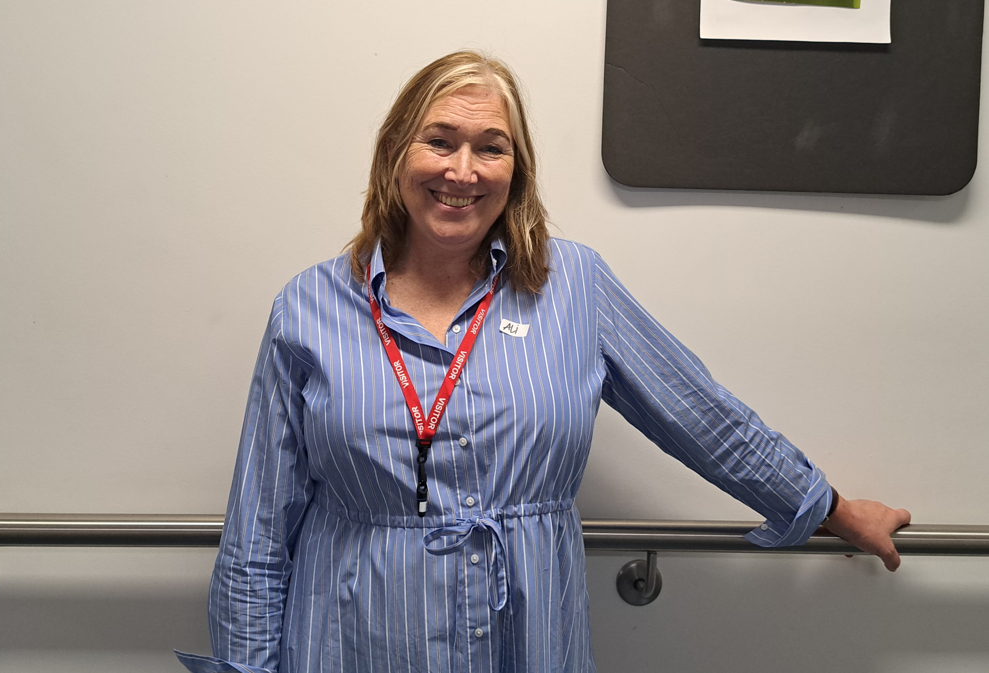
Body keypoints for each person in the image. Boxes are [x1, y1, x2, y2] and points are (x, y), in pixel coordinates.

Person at [175, 50, 910, 673]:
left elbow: (700, 415)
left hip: (524, 635)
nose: (462, 170)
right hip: (350, 637)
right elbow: (258, 532)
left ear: (516, 169)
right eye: (439, 140)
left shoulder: (573, 287)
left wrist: (829, 507)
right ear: (395, 151)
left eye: (490, 147)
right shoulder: (308, 306)